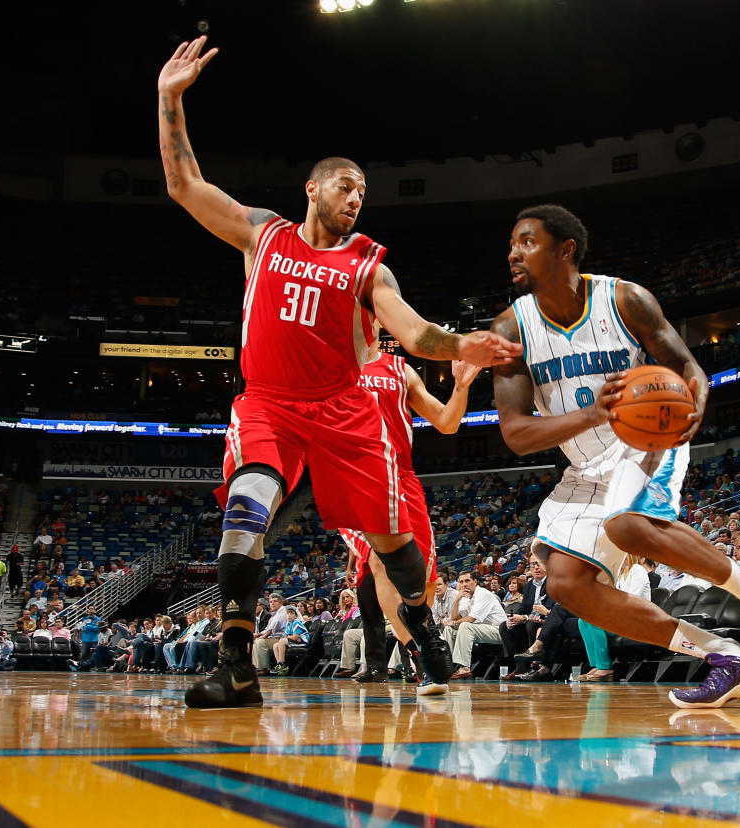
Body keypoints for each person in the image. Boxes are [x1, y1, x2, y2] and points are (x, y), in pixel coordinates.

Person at [157, 36, 520, 709]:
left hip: (344, 411)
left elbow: (415, 333)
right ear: (313, 187)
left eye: (363, 191)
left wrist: (460, 344)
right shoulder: (262, 234)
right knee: (245, 516)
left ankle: (424, 627)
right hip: (268, 405)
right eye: (346, 185)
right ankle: (236, 665)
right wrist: (168, 99)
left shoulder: (368, 268)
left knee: (392, 546)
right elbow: (184, 186)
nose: (356, 198)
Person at [490, 204, 740, 709]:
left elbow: (688, 369)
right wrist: (594, 414)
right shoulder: (510, 330)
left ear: (565, 250)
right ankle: (726, 655)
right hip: (585, 463)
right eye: (512, 243)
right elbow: (516, 433)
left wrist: (693, 407)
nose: (513, 252)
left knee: (626, 524)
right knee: (567, 584)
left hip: (647, 438)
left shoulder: (625, 299)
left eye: (527, 241)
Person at [338, 318, 480, 693]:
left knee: (424, 582)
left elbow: (447, 423)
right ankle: (418, 657)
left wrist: (462, 385)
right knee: (381, 562)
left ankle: (421, 643)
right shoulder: (331, 366)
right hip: (355, 475)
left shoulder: (400, 369)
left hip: (402, 477)